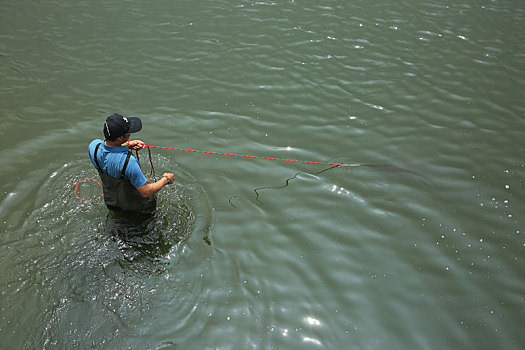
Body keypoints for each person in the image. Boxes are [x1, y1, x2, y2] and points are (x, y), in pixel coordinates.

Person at [88, 113, 174, 214]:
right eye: (128, 133)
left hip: (113, 204)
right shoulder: (129, 162)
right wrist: (166, 179)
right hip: (138, 210)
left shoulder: (94, 146)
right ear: (120, 138)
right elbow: (146, 192)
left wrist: (127, 144)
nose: (130, 134)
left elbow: (109, 151)